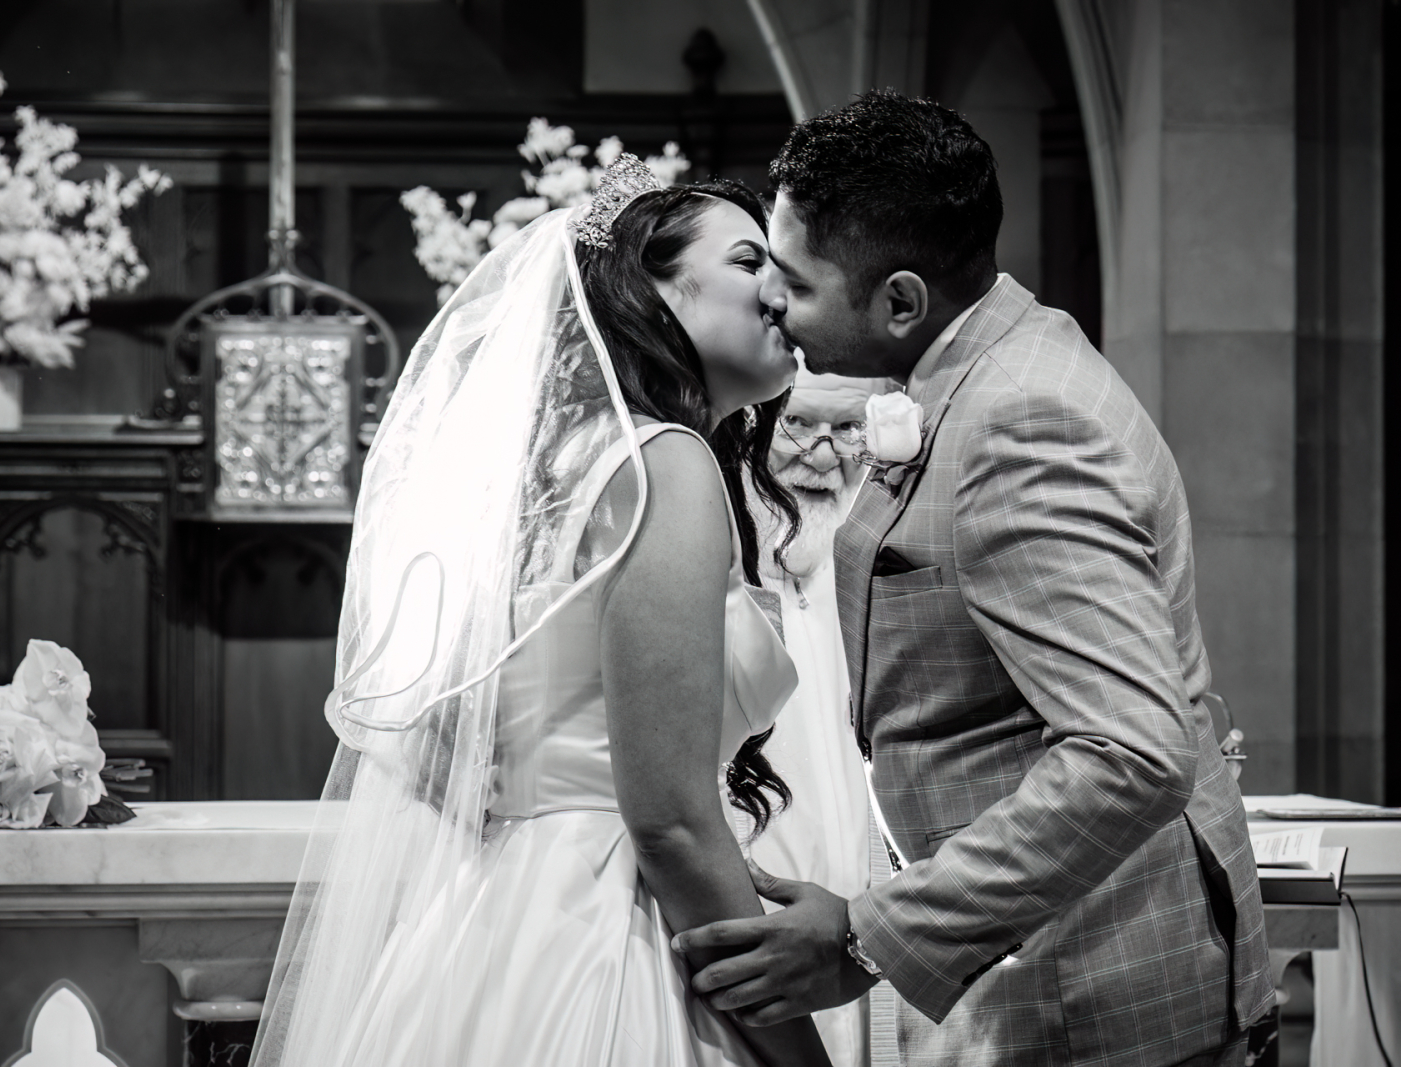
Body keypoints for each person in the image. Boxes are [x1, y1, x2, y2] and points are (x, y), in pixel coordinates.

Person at [675, 91, 1274, 1067]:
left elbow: (1129, 754)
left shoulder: (1019, 417)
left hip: (1103, 996)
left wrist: (869, 937)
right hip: (1045, 963)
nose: (769, 302)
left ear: (900, 300)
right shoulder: (986, 362)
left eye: (794, 280)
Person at [251, 158, 833, 1067]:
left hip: (495, 922)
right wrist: (800, 1055)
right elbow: (673, 823)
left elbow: (459, 744)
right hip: (609, 943)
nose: (783, 292)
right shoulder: (665, 466)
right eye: (750, 261)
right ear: (656, 290)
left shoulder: (561, 470)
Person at [742, 368, 898, 1067]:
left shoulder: (875, 550)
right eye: (800, 425)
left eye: (847, 430)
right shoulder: (712, 542)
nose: (826, 455)